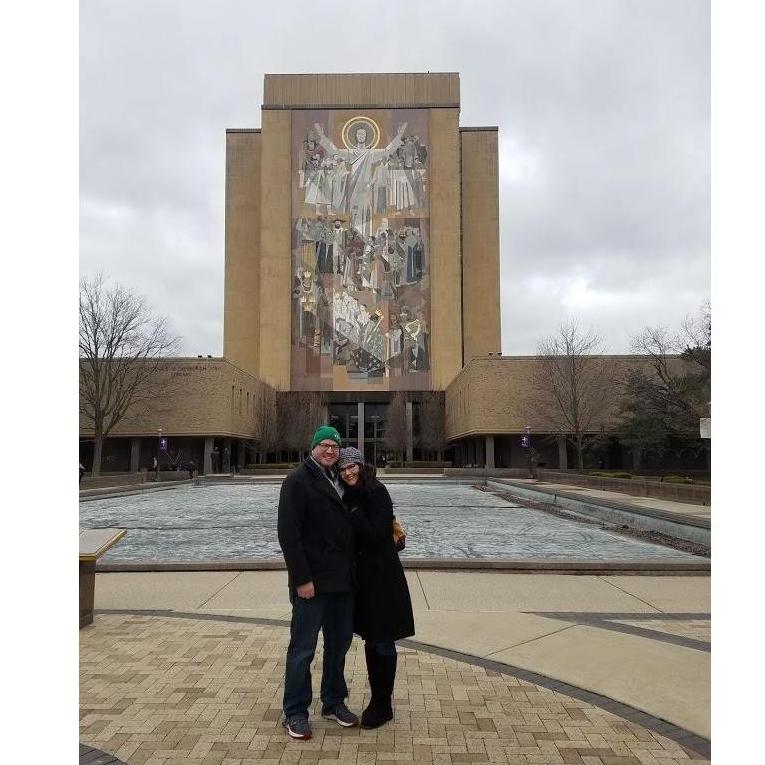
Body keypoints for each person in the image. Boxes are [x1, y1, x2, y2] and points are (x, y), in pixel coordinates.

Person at [277, 426, 359, 740]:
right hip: (312, 584)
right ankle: (295, 711)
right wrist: (302, 579)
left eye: (335, 446)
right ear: (313, 447)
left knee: (338, 646)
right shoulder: (297, 481)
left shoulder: (341, 479)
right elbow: (289, 536)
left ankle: (333, 701)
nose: (329, 451)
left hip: (342, 583)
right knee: (302, 650)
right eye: (324, 445)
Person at [337, 447, 415, 729]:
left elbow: (377, 535)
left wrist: (355, 514)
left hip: (383, 579)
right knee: (372, 639)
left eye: (352, 466)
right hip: (365, 580)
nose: (348, 472)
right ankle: (378, 700)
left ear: (361, 465)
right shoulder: (349, 494)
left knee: (383, 639)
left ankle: (383, 703)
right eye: (343, 468)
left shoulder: (376, 492)